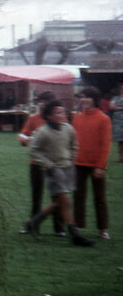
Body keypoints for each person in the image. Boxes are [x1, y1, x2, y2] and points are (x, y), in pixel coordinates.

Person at [23, 100, 95, 246]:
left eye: (63, 112)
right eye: (58, 112)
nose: (62, 115)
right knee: (66, 201)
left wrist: (72, 158)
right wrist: (48, 165)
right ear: (49, 116)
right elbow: (32, 150)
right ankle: (75, 235)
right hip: (53, 171)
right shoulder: (43, 132)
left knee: (59, 203)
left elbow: (74, 143)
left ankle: (33, 222)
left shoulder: (68, 128)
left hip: (67, 168)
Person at [18, 91, 65, 236]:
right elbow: (23, 134)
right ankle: (32, 225)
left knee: (56, 196)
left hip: (54, 162)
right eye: (40, 101)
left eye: (44, 101)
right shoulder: (33, 118)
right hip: (36, 162)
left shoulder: (59, 119)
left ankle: (59, 228)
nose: (41, 104)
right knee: (36, 195)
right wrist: (24, 139)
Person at [71, 86, 111, 240]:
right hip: (78, 163)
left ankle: (103, 228)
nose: (83, 100)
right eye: (82, 97)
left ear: (94, 100)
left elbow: (105, 144)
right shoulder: (77, 118)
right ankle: (78, 226)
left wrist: (100, 166)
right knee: (78, 196)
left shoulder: (104, 118)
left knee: (99, 198)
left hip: (96, 165)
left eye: (87, 97)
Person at [110, 83, 123, 163]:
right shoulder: (115, 98)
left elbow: (115, 107)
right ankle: (120, 157)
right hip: (118, 121)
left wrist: (117, 108)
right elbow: (112, 107)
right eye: (121, 88)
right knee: (120, 140)